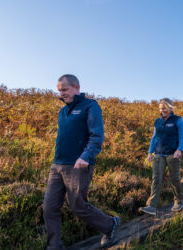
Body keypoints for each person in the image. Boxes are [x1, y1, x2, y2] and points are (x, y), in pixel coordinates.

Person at [43, 74, 120, 249]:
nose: (61, 93)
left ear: (76, 87)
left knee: (78, 206)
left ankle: (110, 225)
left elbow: (96, 135)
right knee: (49, 207)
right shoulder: (63, 111)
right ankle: (54, 246)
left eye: (64, 89)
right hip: (57, 165)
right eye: (59, 90)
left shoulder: (90, 106)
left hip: (79, 165)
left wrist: (86, 156)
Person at [140, 98, 183, 216]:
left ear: (170, 108)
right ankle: (151, 206)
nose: (163, 110)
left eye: (165, 108)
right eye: (161, 108)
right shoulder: (158, 121)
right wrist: (150, 152)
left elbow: (182, 136)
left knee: (174, 178)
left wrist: (179, 149)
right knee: (156, 179)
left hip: (173, 153)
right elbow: (154, 137)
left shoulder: (177, 120)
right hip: (159, 153)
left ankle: (179, 201)